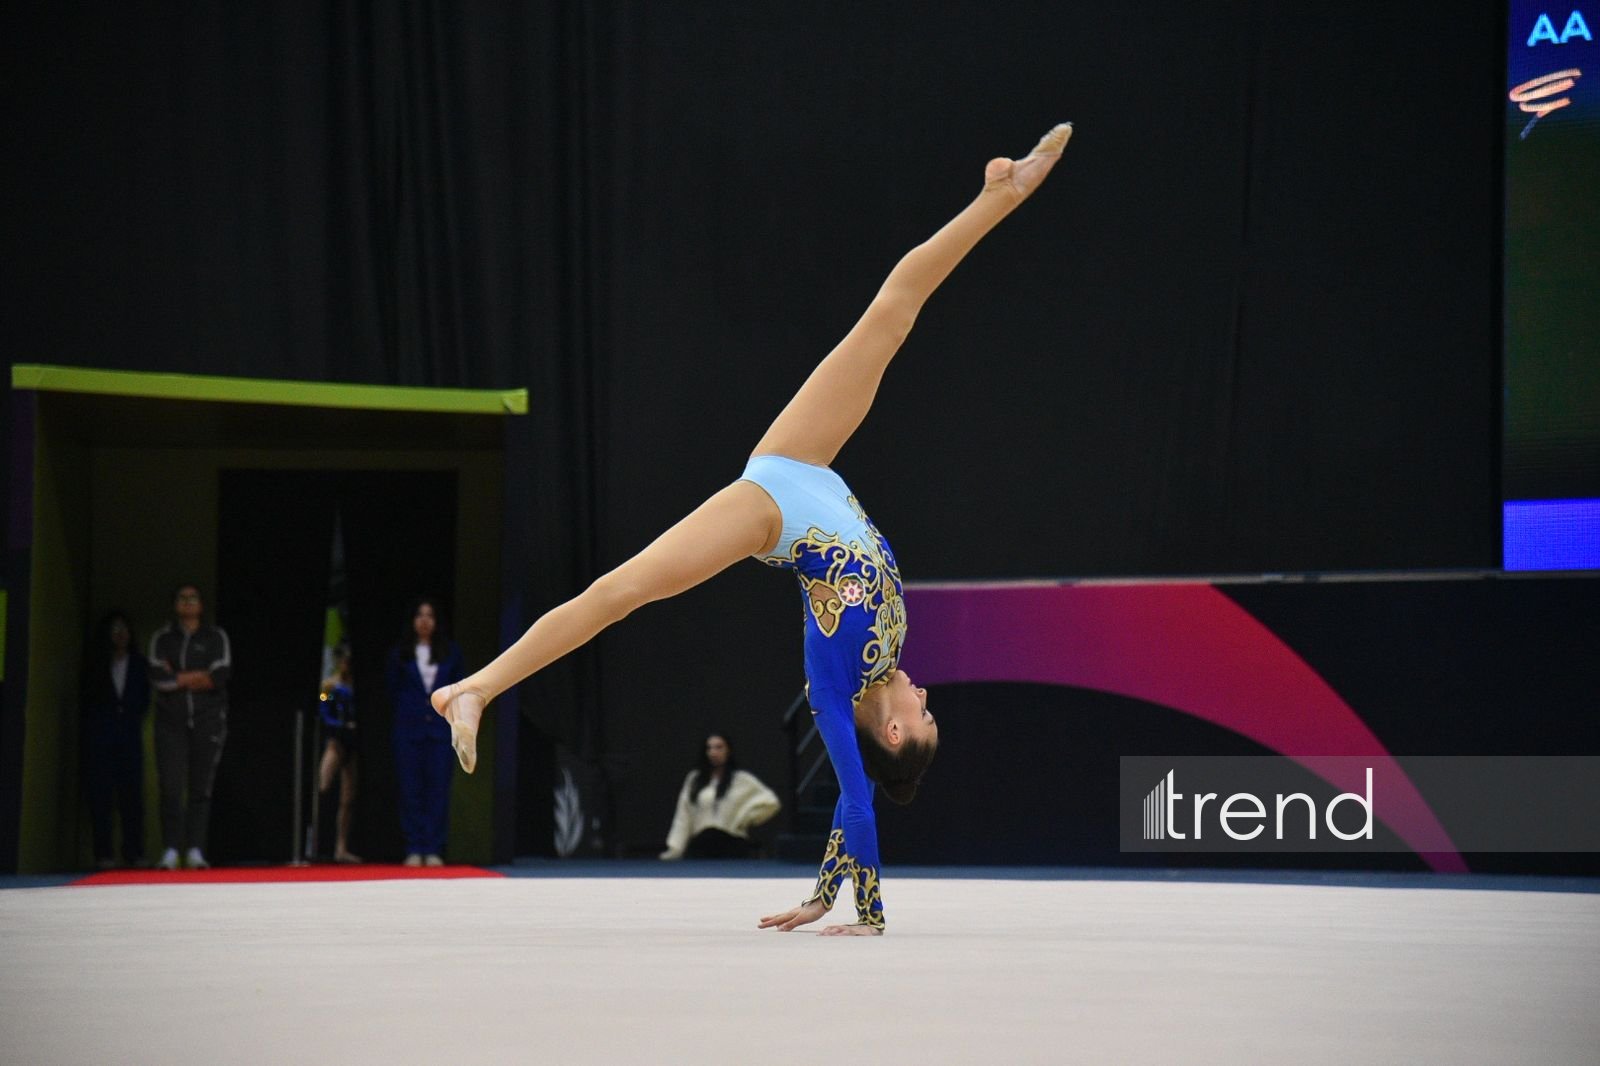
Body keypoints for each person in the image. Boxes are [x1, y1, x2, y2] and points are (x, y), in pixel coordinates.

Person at [431, 124, 1073, 933]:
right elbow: (862, 799)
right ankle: (997, 199)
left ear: (900, 727)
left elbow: (854, 795)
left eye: (928, 716)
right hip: (809, 464)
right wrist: (823, 891)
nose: (931, 695)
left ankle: (475, 689)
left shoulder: (834, 694)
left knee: (619, 592)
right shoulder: (894, 654)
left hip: (772, 513)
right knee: (893, 313)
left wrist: (859, 906)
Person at [148, 583, 232, 870]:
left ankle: (195, 849)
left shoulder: (215, 637)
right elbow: (159, 678)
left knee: (201, 787)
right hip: (171, 722)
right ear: (175, 604)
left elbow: (218, 676)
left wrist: (180, 677)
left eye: (193, 598)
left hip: (208, 720)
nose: (187, 603)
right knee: (171, 786)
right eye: (182, 598)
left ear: (201, 604)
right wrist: (196, 677)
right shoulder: (162, 638)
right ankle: (171, 849)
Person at [386, 599, 464, 867]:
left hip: (440, 732)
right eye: (419, 615)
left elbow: (458, 691)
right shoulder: (400, 654)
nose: (424, 620)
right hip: (408, 731)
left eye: (430, 615)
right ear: (412, 621)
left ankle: (432, 848)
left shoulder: (450, 653)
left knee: (437, 790)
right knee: (411, 790)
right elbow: (392, 691)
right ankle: (414, 846)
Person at [81, 611, 150, 869]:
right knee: (101, 796)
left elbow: (143, 699)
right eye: (115, 629)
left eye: (124, 629)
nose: (120, 634)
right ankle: (104, 853)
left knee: (132, 796)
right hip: (100, 737)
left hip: (129, 736)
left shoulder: (139, 664)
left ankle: (134, 852)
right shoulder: (97, 664)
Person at [659, 734, 781, 860]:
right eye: (709, 748)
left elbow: (770, 802)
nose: (713, 752)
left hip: (732, 843)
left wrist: (745, 817)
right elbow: (683, 815)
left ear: (728, 750)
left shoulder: (741, 779)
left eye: (719, 747)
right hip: (701, 844)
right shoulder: (695, 779)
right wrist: (676, 848)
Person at [318, 644, 361, 863]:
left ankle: (340, 847)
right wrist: (340, 726)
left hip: (351, 745)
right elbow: (324, 711)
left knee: (348, 798)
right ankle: (316, 843)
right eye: (343, 660)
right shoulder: (330, 686)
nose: (346, 664)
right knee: (323, 785)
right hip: (336, 742)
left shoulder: (357, 687)